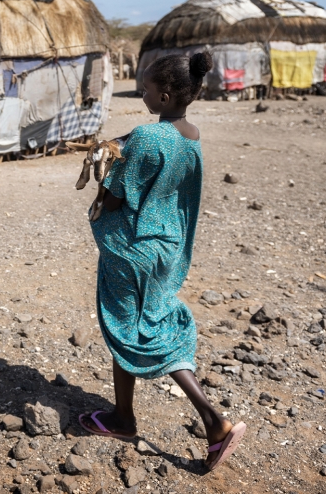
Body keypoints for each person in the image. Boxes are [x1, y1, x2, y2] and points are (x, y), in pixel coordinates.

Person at [79, 52, 246, 472]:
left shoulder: (151, 139)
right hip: (165, 247)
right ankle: (122, 416)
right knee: (139, 322)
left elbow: (116, 196)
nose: (143, 93)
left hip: (134, 248)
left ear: (166, 95)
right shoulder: (189, 134)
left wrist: (103, 179)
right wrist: (123, 142)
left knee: (131, 327)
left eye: (148, 89)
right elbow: (147, 148)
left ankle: (212, 419)